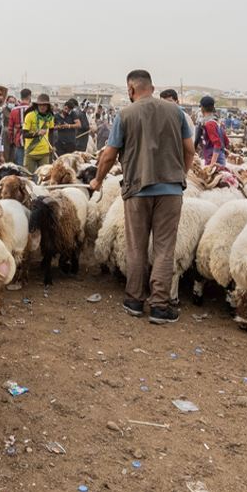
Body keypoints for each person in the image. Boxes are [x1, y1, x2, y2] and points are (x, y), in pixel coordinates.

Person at [90, 69, 194, 324]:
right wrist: (181, 174)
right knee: (164, 248)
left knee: (136, 246)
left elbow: (109, 154)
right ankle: (159, 305)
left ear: (130, 89)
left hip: (137, 190)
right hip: (170, 190)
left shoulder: (125, 115)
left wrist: (98, 180)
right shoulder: (176, 112)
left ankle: (134, 300)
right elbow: (190, 149)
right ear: (153, 88)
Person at [21, 94, 57, 171]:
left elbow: (51, 133)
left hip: (44, 153)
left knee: (44, 176)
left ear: (48, 106)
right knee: (28, 175)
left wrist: (52, 145)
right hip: (30, 152)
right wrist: (37, 134)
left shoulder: (50, 117)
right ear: (37, 105)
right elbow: (24, 134)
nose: (42, 107)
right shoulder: (29, 116)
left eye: (44, 105)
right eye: (40, 105)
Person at [195, 95, 228, 166]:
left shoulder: (209, 124)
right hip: (218, 158)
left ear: (202, 108)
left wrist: (212, 164)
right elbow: (226, 141)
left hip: (214, 160)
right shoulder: (217, 122)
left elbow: (217, 143)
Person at [7, 89, 32, 164]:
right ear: (29, 96)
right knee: (30, 163)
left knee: (20, 163)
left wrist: (11, 140)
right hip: (31, 140)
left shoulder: (14, 110)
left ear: (21, 97)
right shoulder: (33, 110)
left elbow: (10, 128)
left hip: (18, 140)